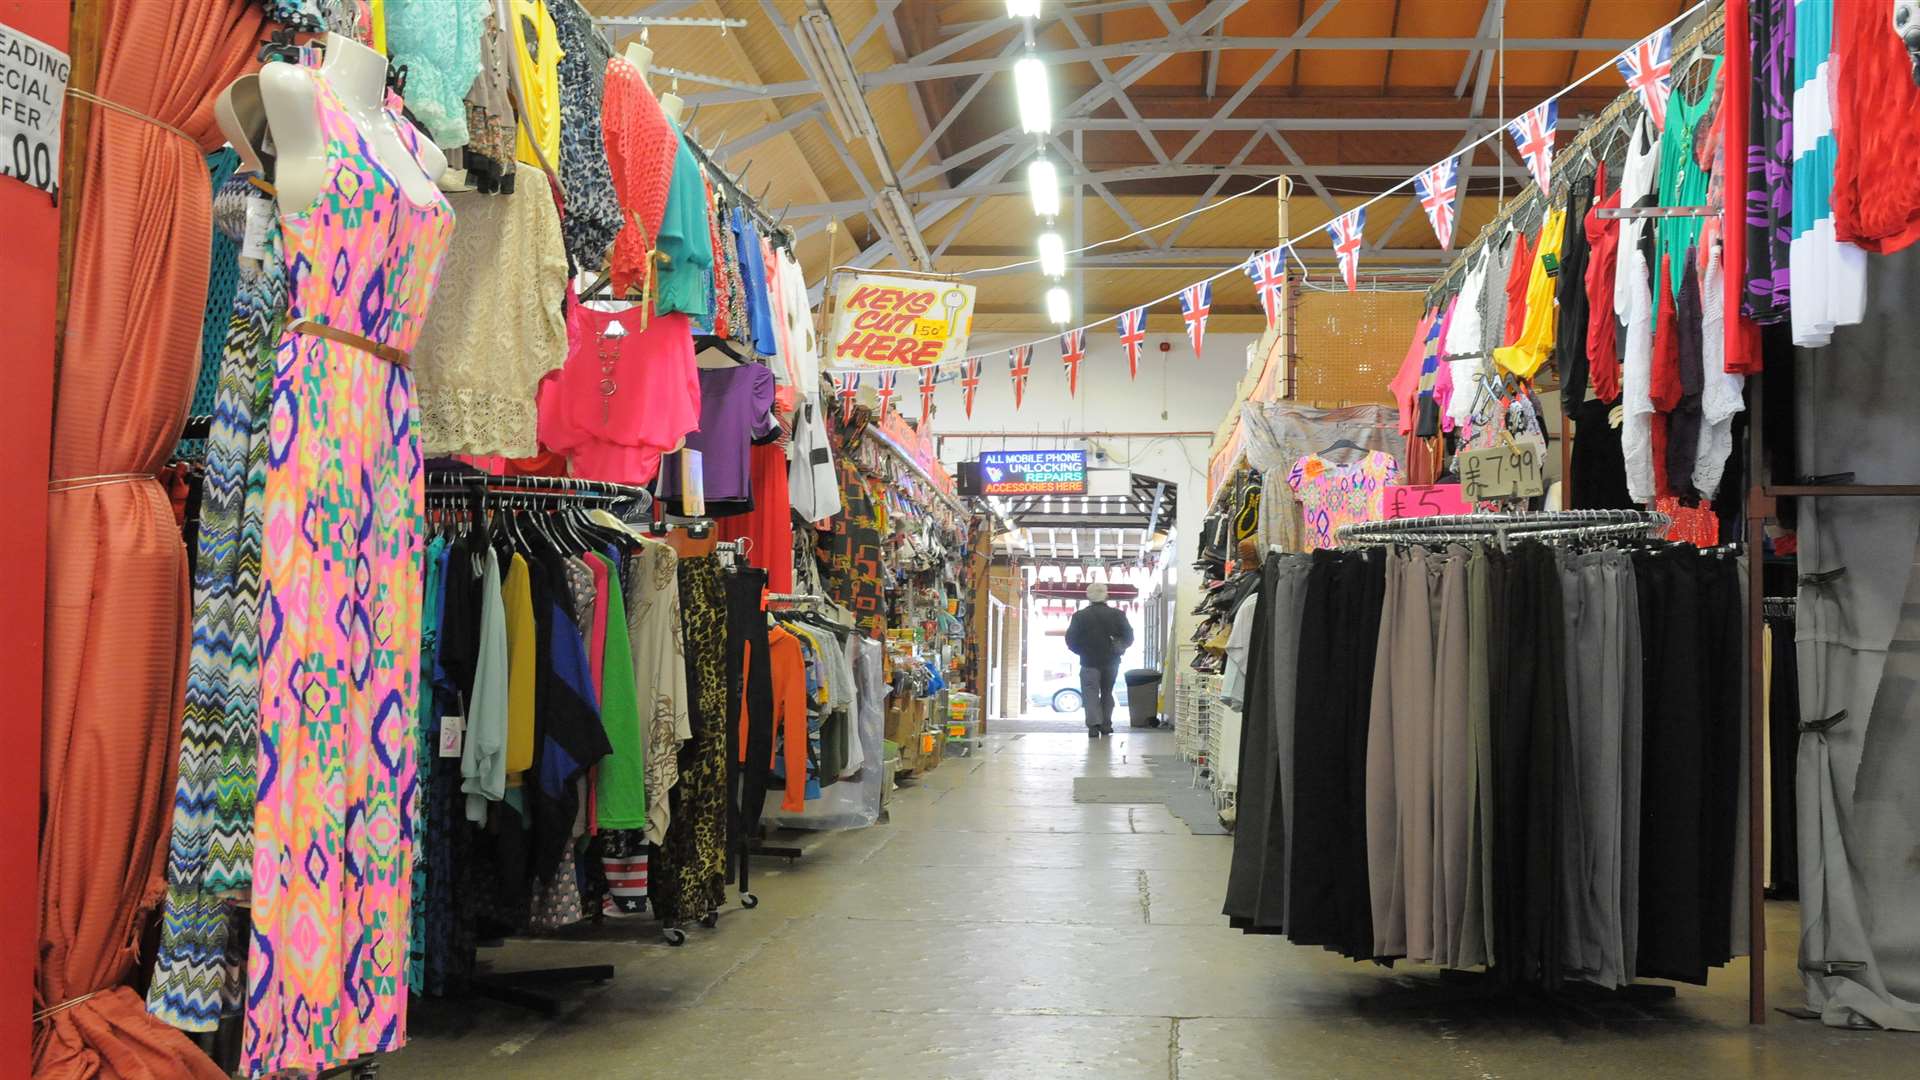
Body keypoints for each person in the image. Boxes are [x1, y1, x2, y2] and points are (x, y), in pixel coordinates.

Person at [1065, 582, 1134, 737]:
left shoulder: (1079, 616)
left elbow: (1070, 640)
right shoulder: (1118, 615)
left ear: (1088, 596)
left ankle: (1094, 726)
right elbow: (1129, 637)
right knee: (1107, 692)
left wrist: (1082, 651)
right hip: (1111, 661)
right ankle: (1106, 724)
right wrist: (1118, 648)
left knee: (1090, 693)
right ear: (1106, 595)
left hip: (1088, 661)